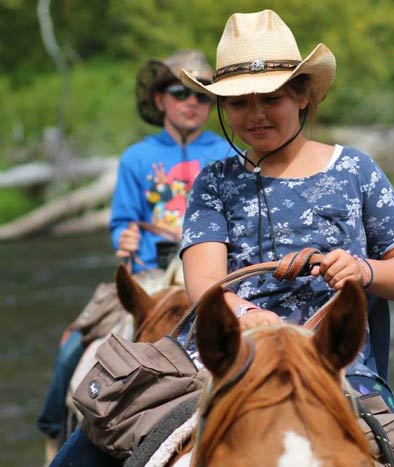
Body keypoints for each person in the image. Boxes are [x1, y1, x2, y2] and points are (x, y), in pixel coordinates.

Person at [51, 10, 394, 466]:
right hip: (224, 361)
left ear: (302, 95)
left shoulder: (356, 170)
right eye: (238, 102)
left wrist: (363, 269)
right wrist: (242, 312)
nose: (255, 114)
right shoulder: (215, 181)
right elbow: (203, 282)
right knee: (85, 448)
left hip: (334, 365)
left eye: (270, 98)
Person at [40, 49, 231, 456]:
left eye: (202, 96)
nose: (192, 103)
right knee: (75, 342)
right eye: (181, 93)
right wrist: (123, 239)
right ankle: (56, 426)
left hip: (208, 273)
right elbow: (121, 221)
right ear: (161, 99)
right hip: (147, 274)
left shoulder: (227, 154)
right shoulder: (136, 158)